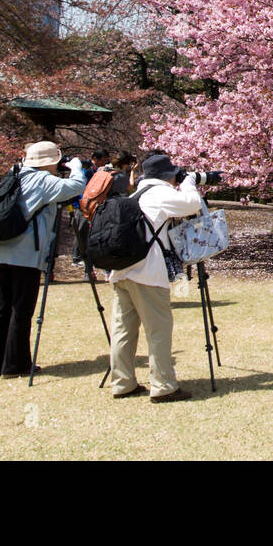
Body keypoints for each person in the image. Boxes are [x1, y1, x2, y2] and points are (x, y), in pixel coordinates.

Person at [0, 140, 87, 377]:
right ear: (50, 162)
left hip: (3, 247)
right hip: (26, 252)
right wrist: (77, 167)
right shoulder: (42, 180)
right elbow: (75, 187)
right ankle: (15, 365)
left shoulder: (15, 173)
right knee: (22, 308)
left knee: (0, 307)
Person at [107, 153, 203, 403]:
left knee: (123, 330)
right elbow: (192, 204)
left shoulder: (134, 195)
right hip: (147, 272)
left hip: (121, 271)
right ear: (167, 176)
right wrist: (190, 181)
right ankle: (163, 386)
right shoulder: (160, 194)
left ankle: (122, 382)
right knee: (158, 329)